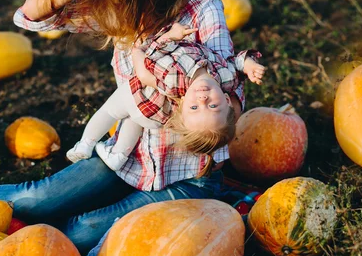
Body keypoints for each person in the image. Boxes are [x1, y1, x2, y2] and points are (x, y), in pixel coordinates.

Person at [0, 0, 257, 255]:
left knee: (81, 232)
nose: (115, 18)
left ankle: (17, 241)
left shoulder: (202, 8)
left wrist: (160, 80)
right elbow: (29, 16)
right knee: (38, 199)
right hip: (125, 158)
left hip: (186, 179)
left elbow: (231, 95)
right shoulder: (110, 9)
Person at [65, 22, 265, 171]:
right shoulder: (226, 77)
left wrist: (168, 36)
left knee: (109, 111)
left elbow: (151, 58)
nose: (202, 100)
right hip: (152, 116)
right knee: (134, 123)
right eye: (213, 106)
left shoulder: (174, 77)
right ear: (227, 100)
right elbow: (236, 63)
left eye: (194, 108)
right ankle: (118, 156)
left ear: (183, 103)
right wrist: (249, 65)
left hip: (139, 98)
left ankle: (85, 143)